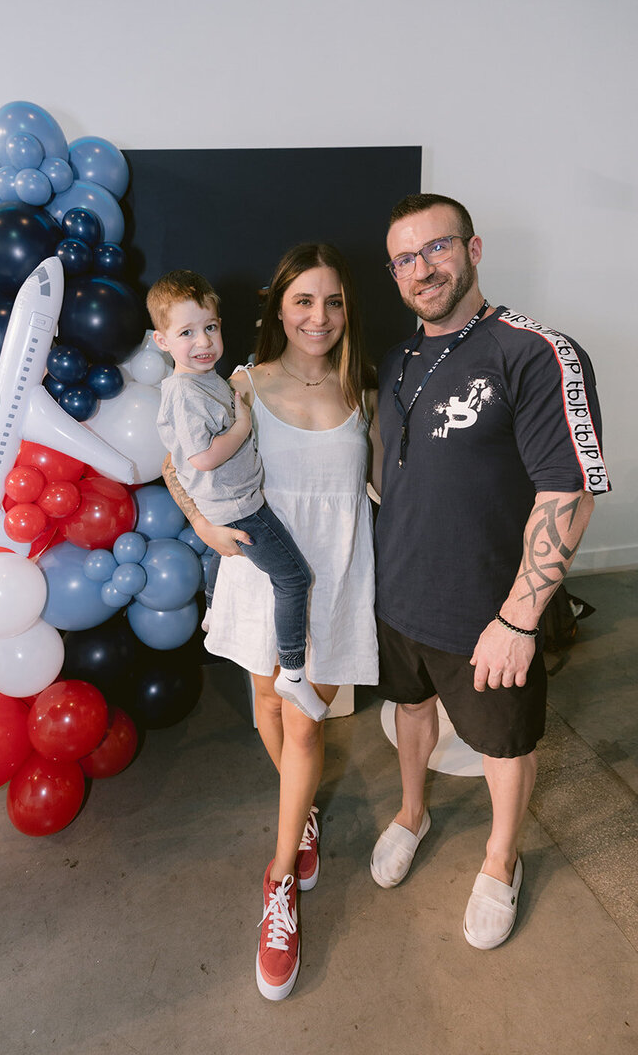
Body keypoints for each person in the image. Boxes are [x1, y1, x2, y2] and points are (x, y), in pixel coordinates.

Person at [371, 192, 610, 950]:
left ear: (473, 250)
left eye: (436, 248)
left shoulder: (535, 351)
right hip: (398, 595)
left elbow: (567, 493)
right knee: (411, 712)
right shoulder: (399, 358)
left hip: (487, 614)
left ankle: (500, 858)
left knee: (504, 745)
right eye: (405, 258)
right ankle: (413, 811)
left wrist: (518, 620)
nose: (422, 267)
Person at [162, 243, 381, 1000]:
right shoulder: (241, 381)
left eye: (333, 302)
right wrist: (202, 524)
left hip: (334, 578)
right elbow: (177, 462)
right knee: (265, 706)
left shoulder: (364, 390)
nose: (318, 317)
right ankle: (304, 818)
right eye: (304, 301)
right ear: (279, 308)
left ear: (347, 310)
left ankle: (278, 879)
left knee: (307, 724)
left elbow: (385, 490)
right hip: (261, 572)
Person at [148, 269, 325, 722]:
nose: (203, 341)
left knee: (222, 562)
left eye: (210, 327)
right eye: (186, 332)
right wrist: (243, 425)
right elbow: (202, 457)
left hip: (229, 502)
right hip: (241, 506)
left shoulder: (206, 379)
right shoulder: (186, 392)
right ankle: (292, 671)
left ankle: (212, 614)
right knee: (294, 579)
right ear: (161, 341)